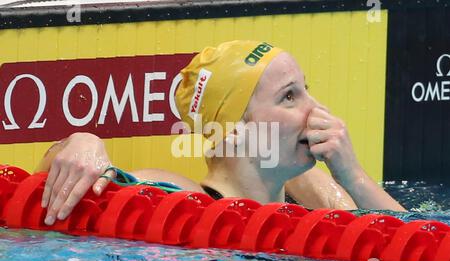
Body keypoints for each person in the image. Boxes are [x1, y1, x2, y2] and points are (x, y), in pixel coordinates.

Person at [36, 40, 405, 226]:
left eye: (306, 89)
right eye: (290, 96)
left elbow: (420, 253)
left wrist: (353, 175)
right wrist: (80, 142)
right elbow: (62, 188)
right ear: (232, 130)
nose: (317, 110)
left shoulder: (312, 191)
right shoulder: (180, 197)